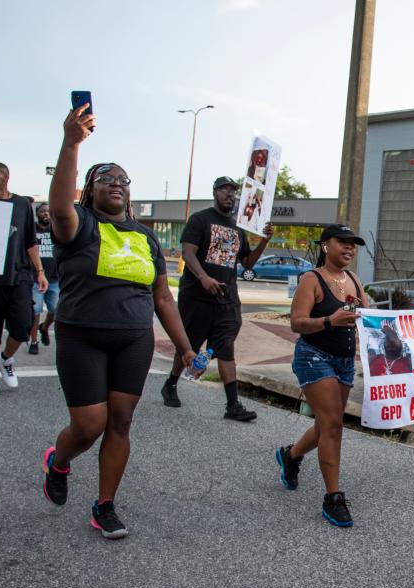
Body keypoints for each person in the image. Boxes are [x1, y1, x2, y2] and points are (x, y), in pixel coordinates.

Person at [41, 104, 197, 540]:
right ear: (89, 191)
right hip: (82, 337)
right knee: (89, 425)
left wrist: (185, 347)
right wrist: (72, 142)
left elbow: (162, 296)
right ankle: (59, 460)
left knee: (121, 422)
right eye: (106, 178)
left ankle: (105, 504)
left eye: (123, 181)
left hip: (133, 340)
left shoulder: (146, 236)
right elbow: (58, 206)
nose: (117, 185)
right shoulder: (78, 224)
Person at [275, 224, 369, 528]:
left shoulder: (354, 280)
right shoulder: (311, 279)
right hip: (314, 357)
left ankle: (291, 455)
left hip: (343, 361)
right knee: (333, 426)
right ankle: (333, 498)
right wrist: (330, 320)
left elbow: (370, 317)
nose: (349, 248)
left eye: (353, 244)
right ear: (325, 245)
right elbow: (297, 323)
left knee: (327, 424)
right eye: (342, 242)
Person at [160, 176, 274, 421]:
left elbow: (247, 263)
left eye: (233, 191)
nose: (229, 194)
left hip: (226, 297)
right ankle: (170, 384)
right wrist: (203, 277)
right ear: (215, 192)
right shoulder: (200, 220)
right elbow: (188, 254)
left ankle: (232, 405)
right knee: (188, 345)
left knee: (226, 346)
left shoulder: (237, 228)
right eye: (224, 189)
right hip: (196, 296)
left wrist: (265, 241)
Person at [0, 162, 49, 397]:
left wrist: (40, 271)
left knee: (24, 323)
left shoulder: (22, 204)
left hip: (19, 276)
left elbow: (30, 242)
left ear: (5, 177)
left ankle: (6, 359)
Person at [28, 203, 60, 355]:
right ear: (37, 214)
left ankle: (45, 328)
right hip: (35, 278)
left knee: (55, 309)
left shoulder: (56, 230)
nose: (46, 214)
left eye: (48, 211)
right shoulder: (32, 229)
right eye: (42, 211)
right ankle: (34, 341)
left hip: (54, 279)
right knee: (35, 310)